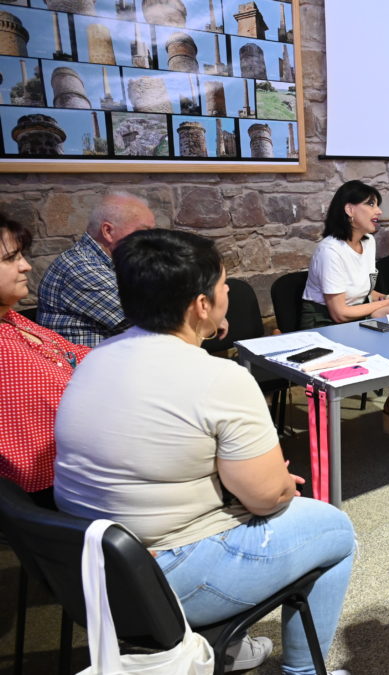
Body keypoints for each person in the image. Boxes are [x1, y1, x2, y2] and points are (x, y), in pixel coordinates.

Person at [53, 230, 355, 675]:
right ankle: (306, 671)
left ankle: (227, 650)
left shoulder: (93, 358)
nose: (228, 291)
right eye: (223, 284)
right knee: (336, 529)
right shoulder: (219, 378)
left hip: (84, 568)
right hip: (164, 574)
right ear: (201, 305)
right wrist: (277, 487)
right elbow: (265, 498)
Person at [301, 181, 389, 445]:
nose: (378, 211)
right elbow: (340, 312)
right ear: (349, 210)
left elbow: (368, 292)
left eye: (377, 204)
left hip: (355, 317)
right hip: (323, 325)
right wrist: (382, 304)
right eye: (370, 204)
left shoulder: (369, 243)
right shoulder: (330, 251)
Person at [0, 213, 90, 505]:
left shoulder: (11, 318)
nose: (26, 265)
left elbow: (76, 354)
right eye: (11, 258)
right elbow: (77, 405)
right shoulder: (5, 350)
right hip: (58, 488)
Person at [36, 191, 155, 346]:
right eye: (144, 232)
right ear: (108, 231)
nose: (152, 240)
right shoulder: (80, 267)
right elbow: (152, 319)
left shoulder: (118, 261)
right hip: (84, 367)